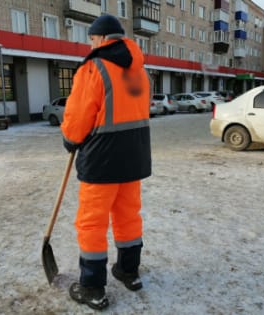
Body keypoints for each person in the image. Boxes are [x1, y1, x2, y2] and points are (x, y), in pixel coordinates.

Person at [60, 14, 152, 311]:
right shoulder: (140, 71)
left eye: (90, 39)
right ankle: (129, 271)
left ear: (101, 38)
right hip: (134, 157)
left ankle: (92, 287)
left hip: (101, 159)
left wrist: (70, 139)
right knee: (128, 216)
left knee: (92, 222)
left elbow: (79, 114)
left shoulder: (93, 67)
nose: (90, 44)